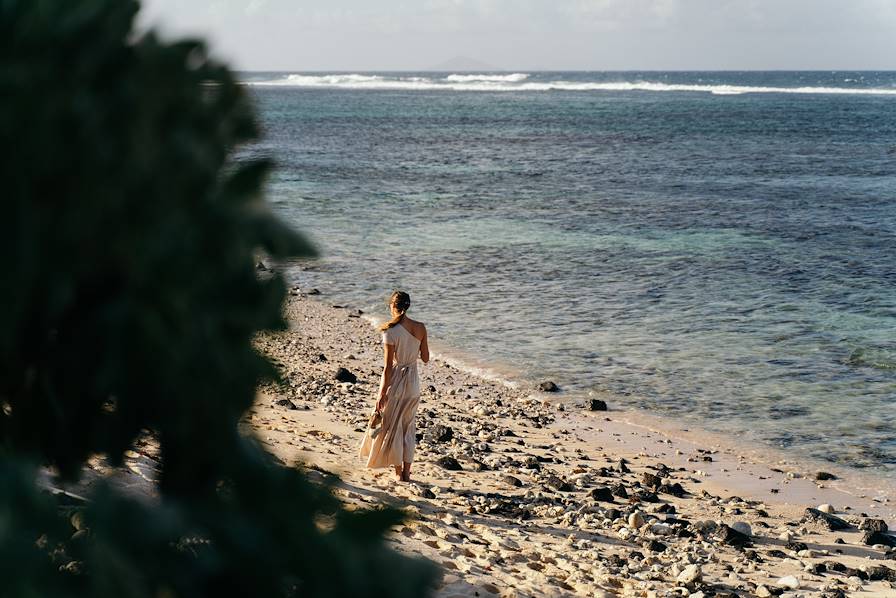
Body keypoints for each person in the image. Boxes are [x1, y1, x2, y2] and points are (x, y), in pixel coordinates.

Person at [359, 291, 429, 482]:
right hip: (413, 382)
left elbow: (388, 368)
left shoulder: (390, 331)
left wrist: (381, 394)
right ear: (408, 306)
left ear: (392, 306)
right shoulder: (421, 327)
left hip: (397, 381)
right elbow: (426, 358)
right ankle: (407, 472)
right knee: (408, 426)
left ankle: (398, 473)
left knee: (394, 427)